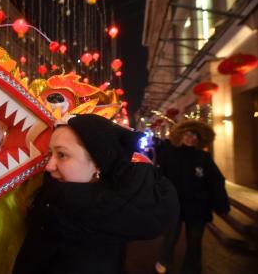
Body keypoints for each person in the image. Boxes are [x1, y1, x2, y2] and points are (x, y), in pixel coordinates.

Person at [13, 114, 179, 274]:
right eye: (51, 153)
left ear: (98, 165)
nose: (49, 166)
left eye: (62, 155)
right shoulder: (54, 201)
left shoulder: (94, 226)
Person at [154, 120, 230, 274]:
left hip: (198, 207)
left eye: (195, 135)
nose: (191, 137)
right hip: (174, 205)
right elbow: (158, 178)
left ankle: (192, 268)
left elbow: (216, 180)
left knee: (195, 242)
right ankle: (164, 260)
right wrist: (158, 199)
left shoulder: (204, 157)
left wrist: (221, 204)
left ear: (199, 138)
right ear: (180, 135)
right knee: (170, 237)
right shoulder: (168, 154)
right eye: (188, 133)